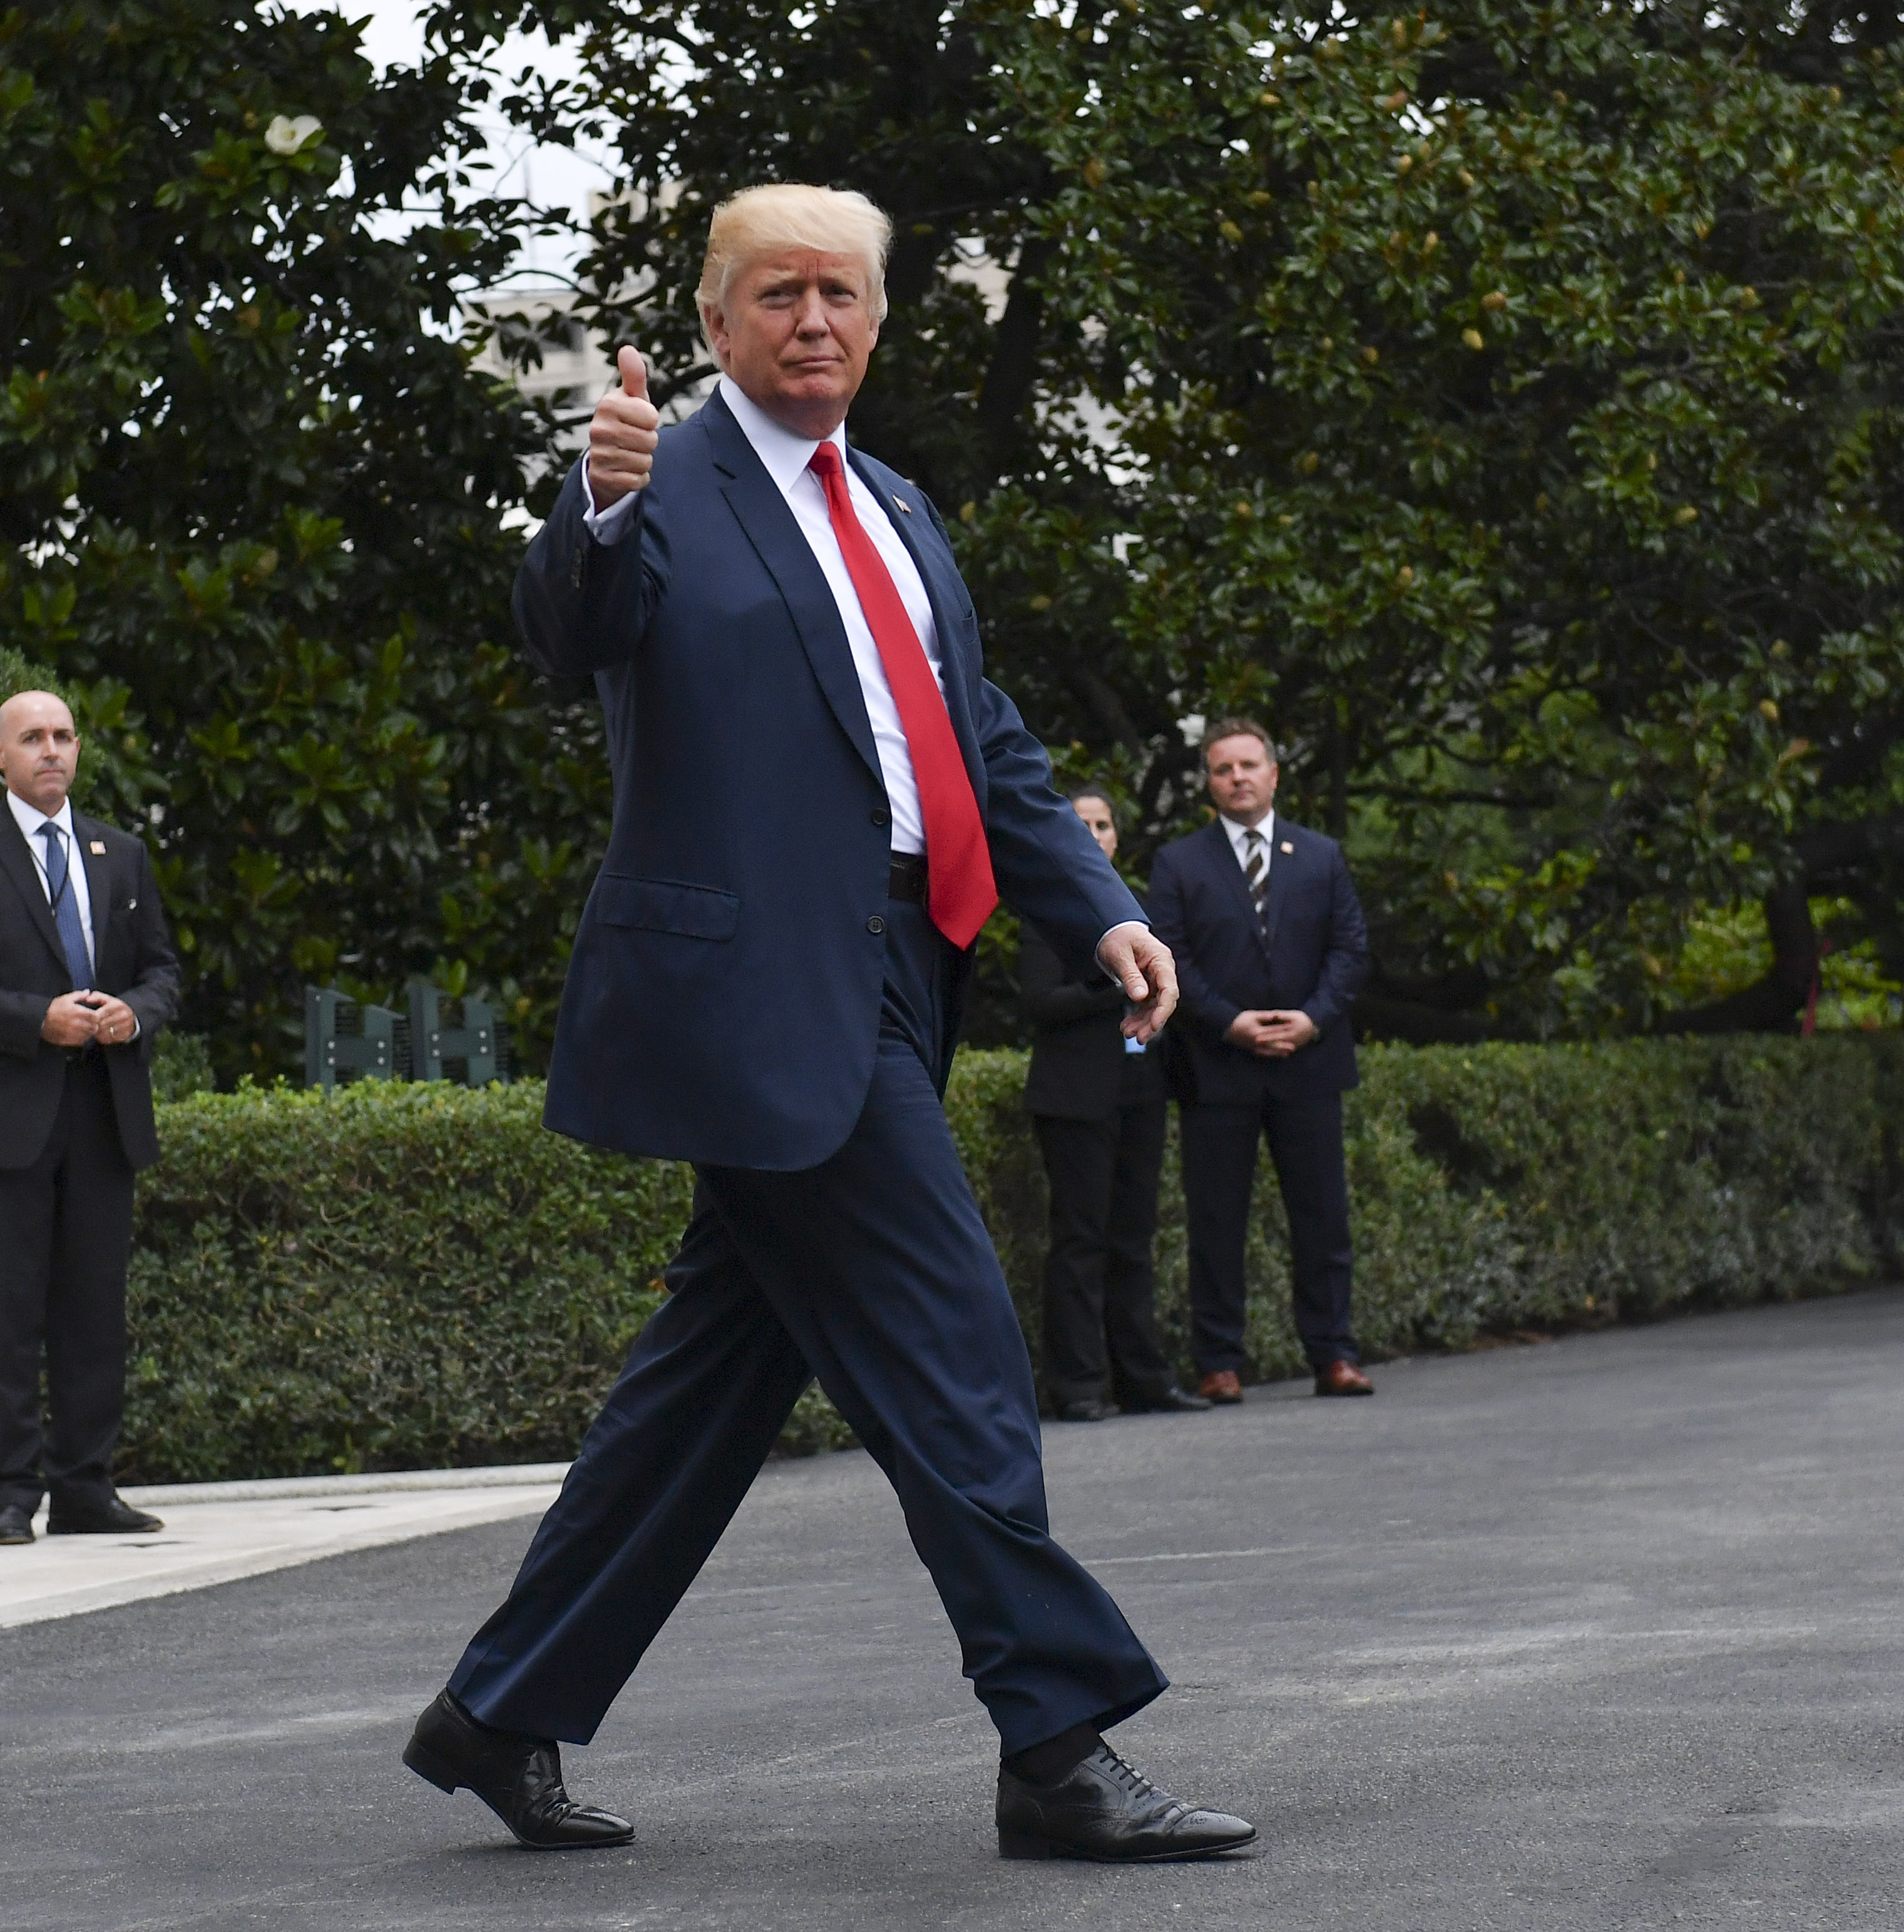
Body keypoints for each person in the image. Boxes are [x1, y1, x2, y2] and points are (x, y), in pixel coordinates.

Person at [402, 185, 1255, 1865]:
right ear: (714, 322)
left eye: (841, 295)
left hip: (887, 969)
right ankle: (1053, 1734)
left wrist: (1103, 906)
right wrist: (589, 505)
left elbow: (979, 742)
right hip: (752, 995)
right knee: (955, 1350)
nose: (811, 319)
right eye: (776, 293)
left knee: (708, 1387)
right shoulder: (662, 488)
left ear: (875, 322)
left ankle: (499, 1708)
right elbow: (572, 623)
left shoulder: (893, 505)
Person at [0, 690, 182, 1548]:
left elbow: (164, 972)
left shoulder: (121, 853)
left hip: (103, 1110)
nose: (51, 751)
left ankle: (84, 1484)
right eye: (32, 738)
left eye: (63, 736)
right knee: (9, 1308)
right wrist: (40, 1019)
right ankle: (7, 1492)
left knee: (94, 1308)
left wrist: (129, 1015)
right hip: (3, 1119)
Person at [1147, 720, 1374, 1403]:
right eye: (1222, 769)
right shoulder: (1178, 864)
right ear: (1208, 783)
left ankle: (1333, 1354)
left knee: (1322, 1217)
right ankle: (1218, 1362)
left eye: (1249, 765)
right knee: (1216, 1221)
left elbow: (1349, 948)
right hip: (1219, 1067)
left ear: (1274, 774)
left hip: (1309, 1062)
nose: (1237, 777)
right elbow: (1172, 956)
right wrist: (1230, 1022)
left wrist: (1312, 1019)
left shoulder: (1321, 855)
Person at [1018, 785, 1212, 1423]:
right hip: (1075, 1098)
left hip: (1139, 1092)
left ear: (1117, 837)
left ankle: (1142, 1378)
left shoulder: (1138, 910)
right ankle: (1076, 1384)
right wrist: (1117, 982)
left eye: (1104, 824)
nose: (1096, 833)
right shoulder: (1050, 910)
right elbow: (1041, 1003)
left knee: (1133, 1238)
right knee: (1080, 1240)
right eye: (1084, 825)